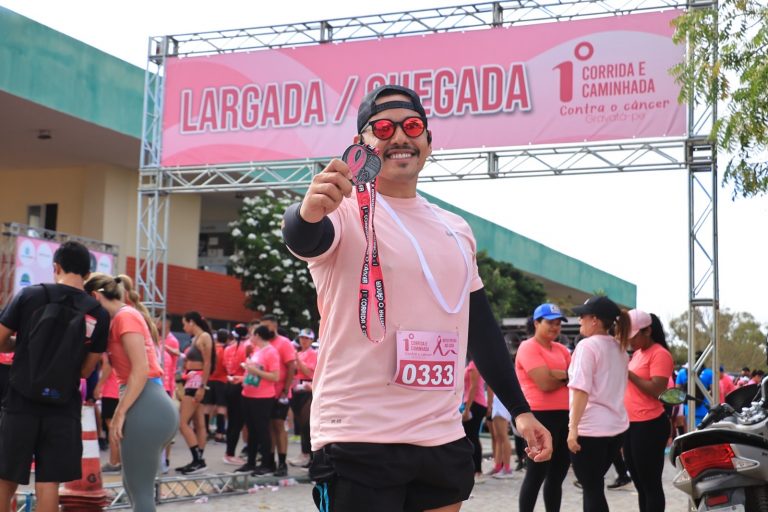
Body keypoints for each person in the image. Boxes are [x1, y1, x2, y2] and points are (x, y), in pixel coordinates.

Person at [282, 84, 552, 512]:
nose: (398, 137)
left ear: (427, 140)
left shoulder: (455, 228)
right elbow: (305, 236)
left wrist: (520, 410)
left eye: (411, 126)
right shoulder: (343, 210)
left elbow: (480, 328)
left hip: (440, 435)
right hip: (359, 434)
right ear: (360, 144)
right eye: (382, 128)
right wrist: (306, 212)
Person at [0, 241, 110, 512]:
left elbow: (1, 340)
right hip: (63, 405)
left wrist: (18, 345)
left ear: (56, 267)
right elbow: (86, 371)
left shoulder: (29, 295)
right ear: (87, 274)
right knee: (49, 482)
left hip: (20, 401)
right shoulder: (98, 313)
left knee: (5, 478)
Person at [84, 273, 179, 512]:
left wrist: (120, 413)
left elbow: (141, 369)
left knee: (141, 493)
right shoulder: (120, 318)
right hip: (145, 404)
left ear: (95, 296)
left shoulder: (125, 317)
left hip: (146, 405)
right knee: (134, 487)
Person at [567, 295, 631, 512]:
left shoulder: (587, 346)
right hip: (615, 427)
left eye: (582, 316)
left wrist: (573, 428)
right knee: (594, 486)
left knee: (592, 488)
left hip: (591, 429)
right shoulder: (619, 348)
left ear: (594, 319)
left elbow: (581, 389)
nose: (579, 320)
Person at [515, 304, 572, 512]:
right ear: (536, 323)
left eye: (558, 323)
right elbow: (545, 383)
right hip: (539, 416)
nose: (555, 327)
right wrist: (565, 376)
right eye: (550, 322)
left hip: (565, 416)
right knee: (536, 474)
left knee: (557, 476)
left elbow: (577, 377)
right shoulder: (528, 347)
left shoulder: (562, 349)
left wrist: (558, 374)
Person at [623, 310, 674, 512]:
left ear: (648, 331)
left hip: (649, 424)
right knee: (640, 485)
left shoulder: (660, 354)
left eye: (634, 336)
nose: (630, 341)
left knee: (650, 485)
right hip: (631, 423)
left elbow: (658, 390)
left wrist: (629, 374)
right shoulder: (638, 354)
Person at [235, 325, 280, 476]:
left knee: (262, 430)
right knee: (251, 430)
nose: (250, 338)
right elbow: (253, 373)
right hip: (248, 394)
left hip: (262, 397)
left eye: (252, 335)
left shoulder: (271, 352)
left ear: (258, 335)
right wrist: (241, 378)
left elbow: (275, 376)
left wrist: (254, 371)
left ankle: (267, 464)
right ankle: (251, 462)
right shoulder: (257, 350)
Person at [176, 311, 215, 474]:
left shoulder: (204, 337)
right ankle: (198, 459)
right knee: (199, 424)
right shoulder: (196, 338)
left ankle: (198, 460)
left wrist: (202, 386)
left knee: (182, 422)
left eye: (184, 324)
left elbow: (207, 363)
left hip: (197, 381)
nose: (183, 327)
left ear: (192, 322)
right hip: (192, 379)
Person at [259, 314, 296, 477]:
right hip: (265, 393)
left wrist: (285, 390)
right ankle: (269, 461)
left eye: (266, 326)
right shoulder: (263, 343)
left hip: (280, 392)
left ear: (274, 326)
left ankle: (282, 463)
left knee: (279, 426)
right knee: (268, 427)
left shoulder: (284, 343)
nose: (263, 329)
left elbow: (291, 367)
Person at [290, 327, 318, 468]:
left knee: (307, 424)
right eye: (301, 337)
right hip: (296, 389)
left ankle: (309, 455)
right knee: (301, 423)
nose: (303, 340)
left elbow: (309, 373)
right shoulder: (299, 353)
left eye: (307, 338)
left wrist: (298, 362)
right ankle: (304, 453)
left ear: (311, 340)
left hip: (307, 389)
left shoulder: (313, 354)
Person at [222, 323, 250, 465]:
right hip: (240, 384)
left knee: (232, 421)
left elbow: (224, 365)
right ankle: (230, 453)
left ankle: (229, 452)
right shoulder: (248, 349)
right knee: (238, 422)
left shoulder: (228, 349)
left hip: (229, 383)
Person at [94, 354, 122, 473]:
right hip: (120, 390)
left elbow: (108, 365)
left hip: (111, 392)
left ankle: (114, 462)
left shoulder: (108, 351)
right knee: (118, 428)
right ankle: (119, 461)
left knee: (112, 428)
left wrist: (98, 386)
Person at [462, 358, 488, 479]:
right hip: (474, 403)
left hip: (474, 404)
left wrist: (467, 409)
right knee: (471, 437)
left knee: (472, 437)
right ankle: (474, 469)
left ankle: (477, 470)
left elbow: (473, 386)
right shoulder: (474, 364)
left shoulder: (474, 364)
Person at [204, 329, 229, 443]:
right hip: (222, 380)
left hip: (210, 379)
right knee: (221, 407)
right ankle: (220, 433)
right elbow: (226, 365)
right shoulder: (225, 350)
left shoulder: (212, 349)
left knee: (207, 406)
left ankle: (205, 431)